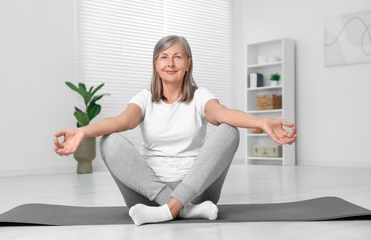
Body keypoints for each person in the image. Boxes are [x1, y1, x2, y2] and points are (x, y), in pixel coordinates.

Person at [53, 35, 296, 226]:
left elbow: (224, 114)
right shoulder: (145, 98)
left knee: (229, 131)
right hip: (147, 192)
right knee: (109, 141)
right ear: (155, 64)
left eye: (178, 57)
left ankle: (170, 209)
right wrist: (84, 131)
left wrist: (261, 123)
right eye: (163, 57)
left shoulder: (200, 96)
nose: (170, 63)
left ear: (189, 62)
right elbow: (122, 121)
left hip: (195, 189)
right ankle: (182, 209)